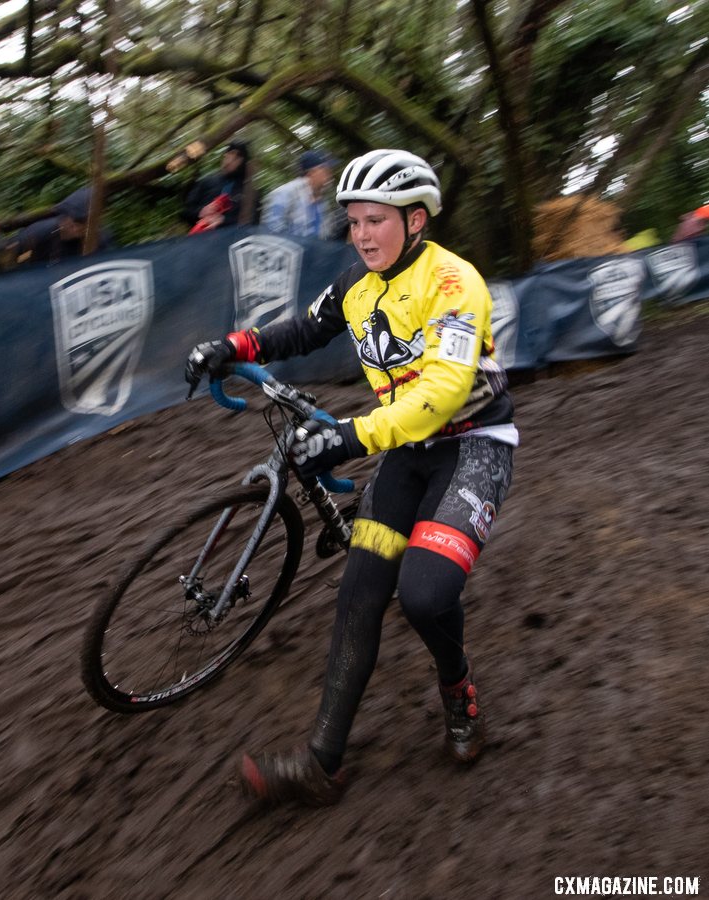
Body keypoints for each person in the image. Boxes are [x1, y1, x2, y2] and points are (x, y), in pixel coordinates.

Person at [185, 149, 518, 807]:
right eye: (354, 221)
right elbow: (302, 331)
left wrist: (347, 435)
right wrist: (232, 346)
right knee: (360, 596)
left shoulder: (455, 284)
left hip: (471, 445)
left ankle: (459, 692)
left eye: (376, 220)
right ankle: (321, 762)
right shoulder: (354, 287)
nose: (361, 234)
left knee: (423, 596)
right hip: (402, 451)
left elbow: (444, 394)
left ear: (415, 219)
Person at [6, 186, 112, 265]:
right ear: (64, 217)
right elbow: (9, 259)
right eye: (73, 223)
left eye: (82, 224)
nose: (76, 229)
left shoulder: (99, 240)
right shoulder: (38, 234)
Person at [262, 149, 339, 241]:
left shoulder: (323, 202)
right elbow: (271, 233)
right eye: (326, 169)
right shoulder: (284, 194)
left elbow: (326, 235)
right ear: (311, 172)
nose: (330, 174)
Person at [183, 141, 252, 233]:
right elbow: (186, 212)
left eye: (236, 157)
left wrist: (223, 220)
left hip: (230, 242)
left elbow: (252, 224)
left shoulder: (248, 192)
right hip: (199, 239)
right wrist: (201, 212)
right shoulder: (207, 181)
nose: (230, 160)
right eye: (229, 154)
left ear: (242, 162)